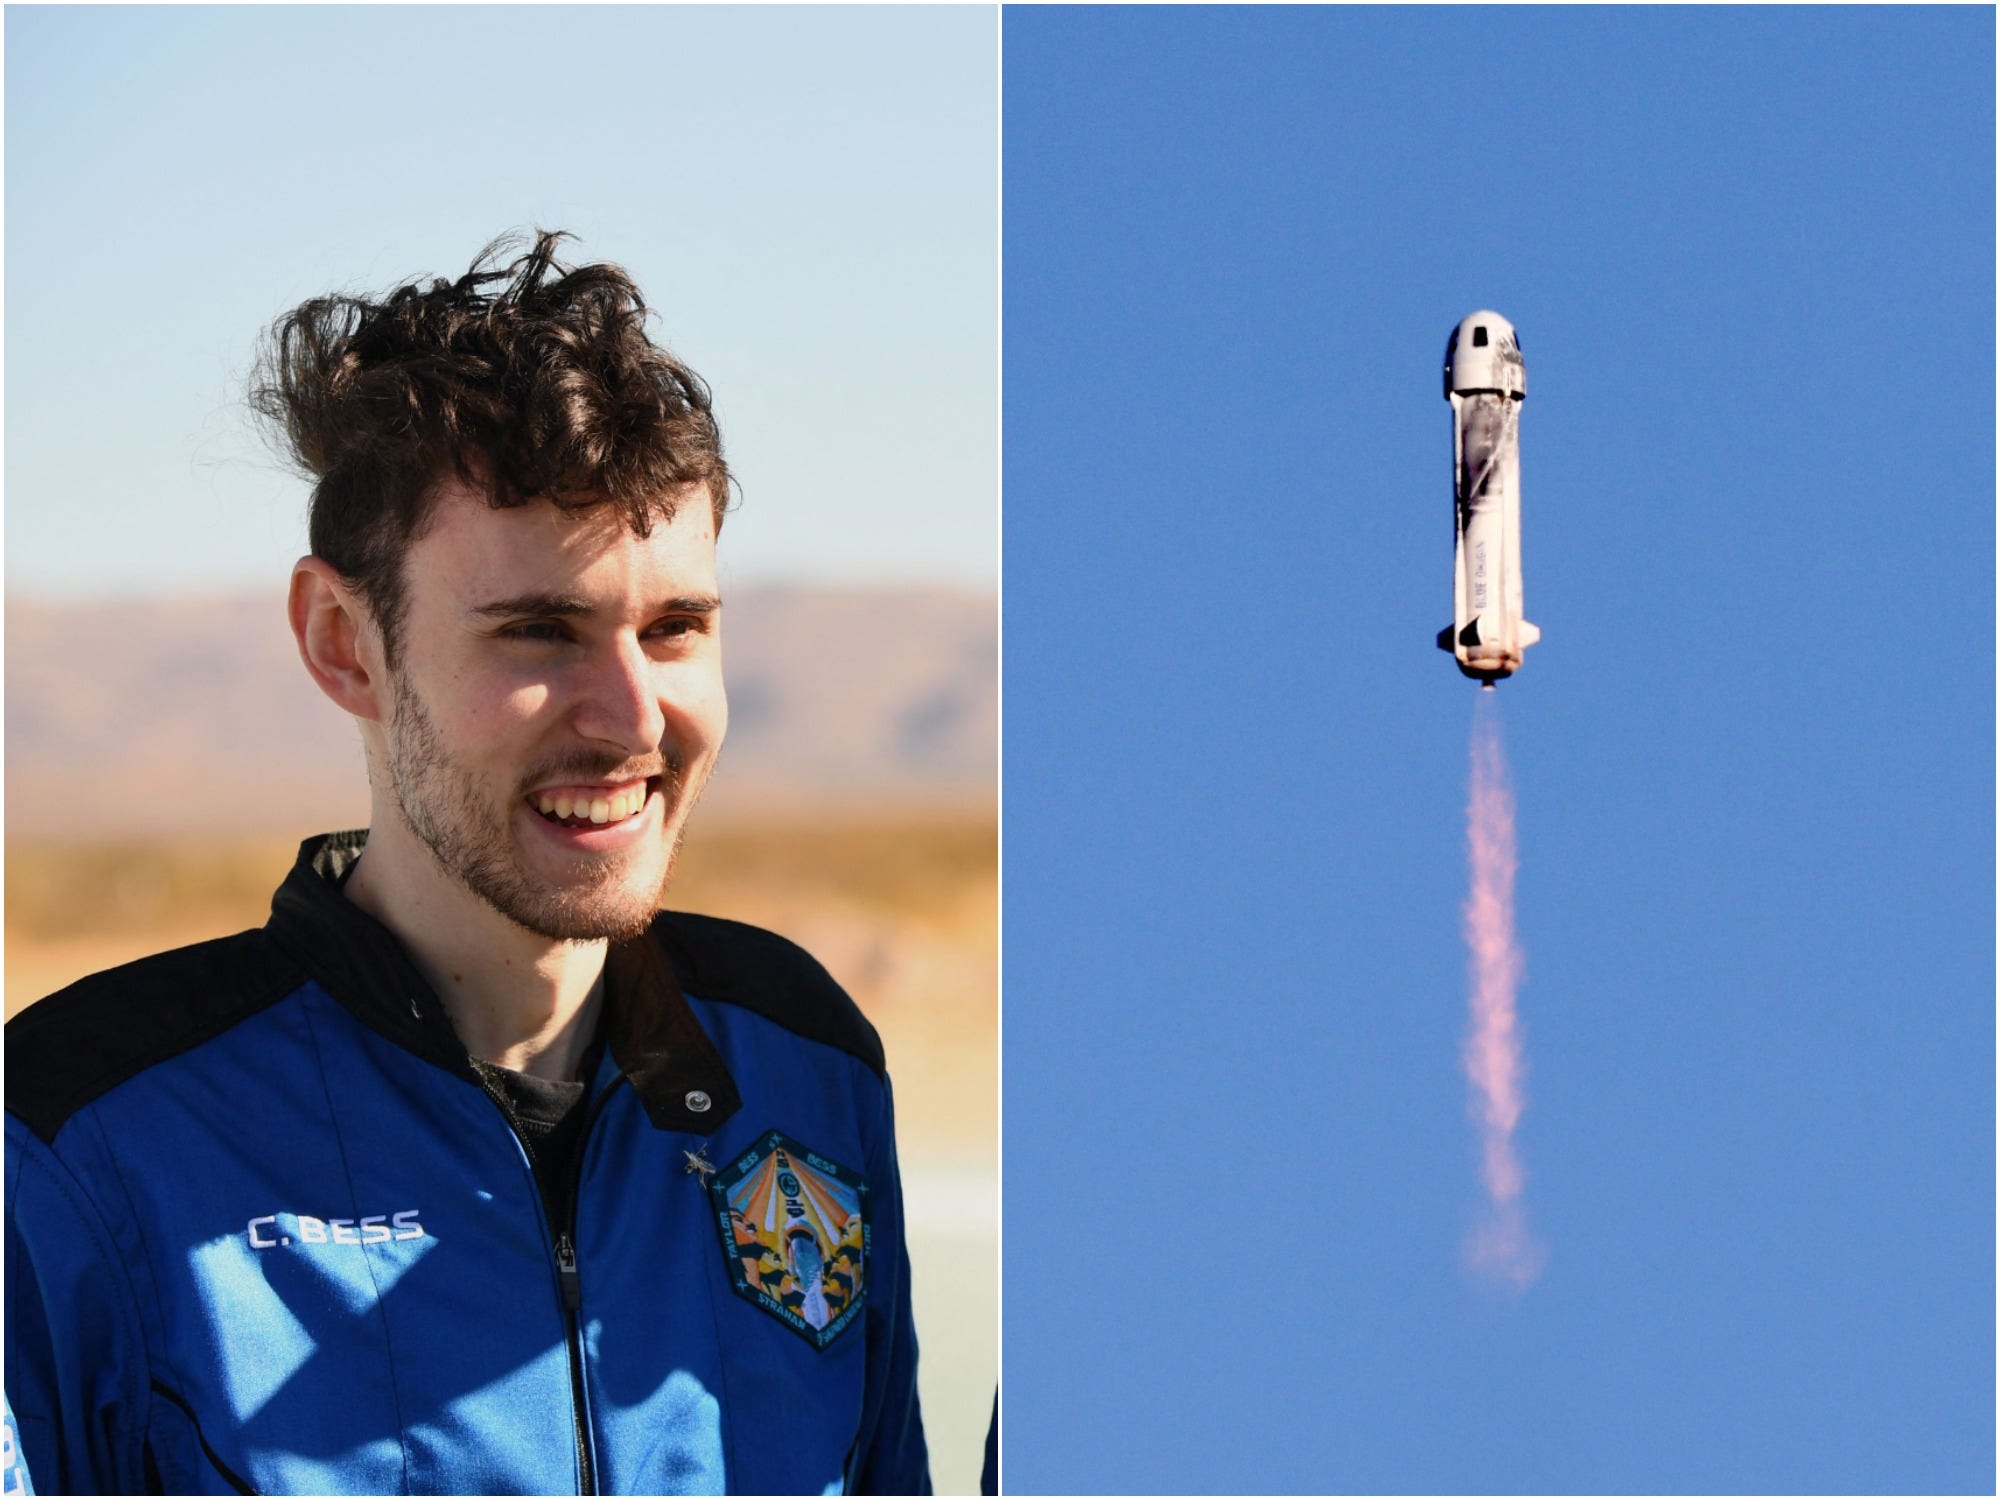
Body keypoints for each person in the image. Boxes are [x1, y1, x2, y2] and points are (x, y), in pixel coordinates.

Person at [3, 233, 930, 1496]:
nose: (633, 719)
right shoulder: (79, 1139)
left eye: (674, 629)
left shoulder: (802, 1069)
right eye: (539, 631)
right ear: (344, 643)